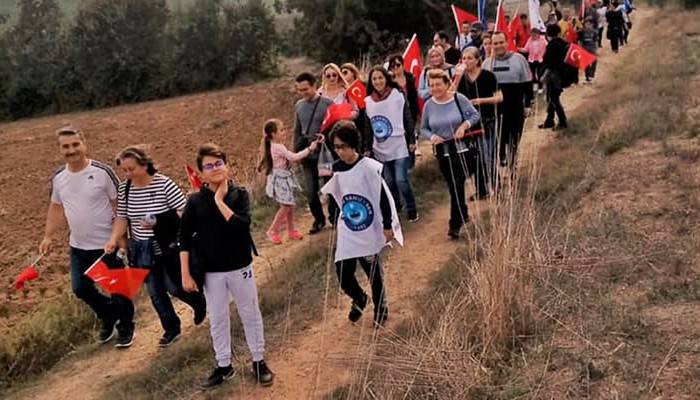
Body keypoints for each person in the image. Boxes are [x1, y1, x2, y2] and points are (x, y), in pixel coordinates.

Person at [179, 143, 274, 388]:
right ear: (200, 173)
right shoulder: (195, 202)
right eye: (208, 166)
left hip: (240, 266)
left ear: (227, 166)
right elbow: (184, 239)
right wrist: (185, 273)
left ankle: (258, 360)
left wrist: (220, 201)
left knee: (250, 313)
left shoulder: (239, 194)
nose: (215, 169)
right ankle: (223, 365)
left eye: (218, 163)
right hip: (211, 272)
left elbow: (241, 226)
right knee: (218, 317)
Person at [40, 127, 135, 348]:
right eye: (66, 146)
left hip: (107, 245)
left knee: (117, 289)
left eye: (75, 144)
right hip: (78, 246)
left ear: (84, 144)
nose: (71, 150)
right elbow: (55, 208)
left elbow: (119, 205)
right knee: (80, 288)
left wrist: (121, 238)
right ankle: (109, 314)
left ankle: (126, 327)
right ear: (60, 149)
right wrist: (47, 236)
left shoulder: (103, 171)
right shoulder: (59, 178)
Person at [105, 145, 207, 348]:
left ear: (144, 165)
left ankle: (198, 302)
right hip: (141, 249)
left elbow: (184, 212)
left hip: (167, 245)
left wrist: (158, 220)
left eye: (131, 169)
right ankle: (171, 329)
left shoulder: (163, 184)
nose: (128, 174)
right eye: (124, 170)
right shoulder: (125, 189)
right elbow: (122, 218)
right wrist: (114, 239)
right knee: (155, 292)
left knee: (174, 287)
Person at [320, 121, 402, 327]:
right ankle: (359, 298)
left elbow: (383, 197)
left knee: (373, 272)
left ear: (353, 145)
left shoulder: (369, 167)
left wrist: (387, 225)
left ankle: (381, 309)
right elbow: (335, 194)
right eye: (336, 147)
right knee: (342, 272)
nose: (340, 151)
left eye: (343, 146)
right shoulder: (336, 169)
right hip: (348, 227)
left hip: (368, 227)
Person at [420, 69, 481, 239]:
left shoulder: (458, 99)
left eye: (438, 84)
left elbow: (475, 116)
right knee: (453, 185)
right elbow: (423, 128)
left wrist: (463, 126)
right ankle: (463, 210)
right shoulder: (428, 105)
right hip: (443, 152)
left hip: (462, 149)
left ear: (447, 84)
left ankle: (455, 223)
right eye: (431, 85)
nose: (435, 88)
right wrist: (432, 136)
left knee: (457, 183)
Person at [364, 66, 419, 222]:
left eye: (380, 78)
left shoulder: (397, 95)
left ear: (386, 78)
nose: (377, 81)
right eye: (374, 79)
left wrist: (411, 140)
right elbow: (368, 127)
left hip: (400, 144)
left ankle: (412, 208)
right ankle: (396, 206)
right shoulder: (368, 101)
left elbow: (407, 118)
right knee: (389, 181)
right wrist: (367, 148)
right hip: (380, 148)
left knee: (401, 179)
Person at [258, 119, 324, 244]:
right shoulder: (278, 147)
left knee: (289, 204)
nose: (284, 132)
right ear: (273, 134)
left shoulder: (276, 146)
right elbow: (293, 157)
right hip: (281, 179)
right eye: (281, 130)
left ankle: (291, 230)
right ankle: (273, 230)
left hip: (284, 178)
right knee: (286, 205)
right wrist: (310, 149)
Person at [456, 48, 504, 197]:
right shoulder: (462, 79)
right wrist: (457, 78)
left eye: (470, 58)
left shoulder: (488, 76)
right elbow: (452, 96)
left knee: (487, 154)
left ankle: (496, 185)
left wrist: (480, 101)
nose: (466, 61)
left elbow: (499, 97)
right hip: (470, 122)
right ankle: (481, 190)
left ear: (477, 60)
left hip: (487, 120)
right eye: (464, 58)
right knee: (475, 156)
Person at [293, 72, 334, 234]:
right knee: (310, 192)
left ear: (314, 86)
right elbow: (297, 130)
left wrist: (328, 138)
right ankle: (318, 220)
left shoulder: (327, 103)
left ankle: (334, 217)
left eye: (306, 89)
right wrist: (296, 152)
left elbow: (335, 126)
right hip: (307, 154)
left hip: (325, 153)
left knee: (330, 187)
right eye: (300, 90)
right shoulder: (298, 106)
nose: (303, 93)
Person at [484, 32, 533, 169]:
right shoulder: (487, 64)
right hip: (495, 109)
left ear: (507, 42)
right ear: (491, 45)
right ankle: (500, 159)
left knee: (514, 137)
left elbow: (527, 83)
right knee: (499, 137)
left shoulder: (519, 59)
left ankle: (513, 165)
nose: (498, 46)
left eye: (501, 42)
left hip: (516, 106)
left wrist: (528, 104)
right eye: (495, 43)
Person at [539, 24, 569, 130]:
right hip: (562, 74)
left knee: (553, 98)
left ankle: (562, 121)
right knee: (552, 98)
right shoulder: (563, 43)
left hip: (553, 76)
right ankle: (549, 120)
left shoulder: (552, 45)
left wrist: (543, 75)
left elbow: (549, 62)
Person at [520, 28, 548, 93]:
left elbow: (547, 46)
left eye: (535, 34)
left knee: (539, 74)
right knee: (532, 74)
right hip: (532, 60)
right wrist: (518, 48)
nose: (533, 36)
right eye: (532, 34)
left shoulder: (543, 39)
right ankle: (535, 84)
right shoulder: (529, 40)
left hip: (540, 60)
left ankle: (540, 86)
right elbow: (526, 49)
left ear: (538, 34)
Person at [578, 18, 599, 83]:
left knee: (594, 61)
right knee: (586, 63)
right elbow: (578, 38)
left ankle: (591, 75)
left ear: (592, 25)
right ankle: (587, 77)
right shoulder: (582, 32)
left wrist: (596, 48)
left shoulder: (594, 32)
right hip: (585, 48)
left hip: (592, 48)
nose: (588, 25)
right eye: (586, 24)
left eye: (589, 24)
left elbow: (595, 40)